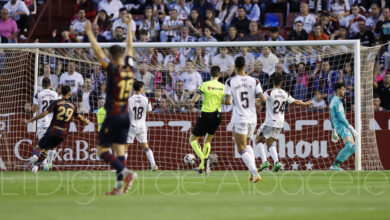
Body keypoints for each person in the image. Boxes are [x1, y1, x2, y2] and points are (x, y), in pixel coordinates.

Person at [85, 14, 137, 195]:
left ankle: (125, 172)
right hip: (125, 116)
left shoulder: (114, 70)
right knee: (119, 151)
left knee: (102, 150)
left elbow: (98, 52)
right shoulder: (130, 66)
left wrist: (90, 33)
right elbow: (130, 45)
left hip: (113, 115)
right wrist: (129, 24)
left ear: (111, 57)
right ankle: (118, 187)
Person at [23, 86, 90, 173]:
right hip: (63, 134)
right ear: (69, 94)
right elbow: (80, 118)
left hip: (53, 130)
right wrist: (86, 121)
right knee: (47, 148)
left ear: (61, 93)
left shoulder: (57, 102)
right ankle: (36, 167)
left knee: (38, 147)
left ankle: (35, 158)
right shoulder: (73, 106)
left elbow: (44, 113)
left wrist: (30, 120)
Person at [254, 74, 312, 172]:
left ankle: (264, 161)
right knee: (270, 143)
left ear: (272, 82)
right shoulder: (285, 93)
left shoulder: (269, 92)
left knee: (258, 140)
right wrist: (306, 103)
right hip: (280, 123)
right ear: (282, 82)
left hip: (270, 122)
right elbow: (296, 102)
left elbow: (260, 99)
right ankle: (276, 163)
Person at [224, 56, 266, 183]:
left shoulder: (230, 81)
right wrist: (256, 102)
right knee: (247, 144)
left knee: (241, 148)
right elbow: (263, 100)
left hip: (240, 117)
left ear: (235, 67)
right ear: (245, 66)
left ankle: (254, 172)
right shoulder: (255, 81)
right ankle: (253, 173)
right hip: (253, 118)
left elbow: (227, 101)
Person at [189, 66, 225, 175]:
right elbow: (228, 101)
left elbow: (195, 100)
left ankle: (204, 160)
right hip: (217, 116)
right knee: (208, 140)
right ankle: (202, 167)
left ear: (210, 74)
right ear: (219, 75)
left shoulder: (204, 85)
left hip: (206, 114)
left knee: (193, 139)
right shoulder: (223, 87)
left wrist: (190, 99)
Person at [24, 77, 59, 171]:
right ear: (50, 85)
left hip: (42, 124)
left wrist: (30, 109)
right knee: (51, 145)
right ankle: (49, 164)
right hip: (53, 123)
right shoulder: (56, 94)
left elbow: (34, 110)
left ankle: (43, 163)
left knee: (42, 145)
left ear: (42, 85)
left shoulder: (38, 94)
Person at [126, 81, 157, 171]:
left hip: (132, 125)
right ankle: (153, 165)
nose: (143, 89)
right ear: (140, 88)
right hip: (142, 126)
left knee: (124, 147)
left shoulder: (130, 100)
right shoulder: (146, 99)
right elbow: (150, 111)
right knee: (146, 147)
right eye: (143, 87)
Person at [329, 83, 358, 170]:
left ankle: (337, 164)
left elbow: (331, 117)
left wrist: (333, 130)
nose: (344, 91)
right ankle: (335, 165)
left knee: (353, 147)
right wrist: (350, 127)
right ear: (337, 90)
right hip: (342, 126)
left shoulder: (333, 101)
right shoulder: (337, 102)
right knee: (349, 146)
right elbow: (341, 117)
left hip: (339, 127)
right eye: (343, 89)